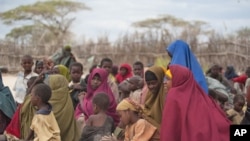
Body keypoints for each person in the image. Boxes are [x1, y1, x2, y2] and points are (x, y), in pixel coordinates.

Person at [160, 64, 230, 141]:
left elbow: (169, 132)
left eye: (168, 79)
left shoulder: (173, 96)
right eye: (164, 79)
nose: (164, 82)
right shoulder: (201, 97)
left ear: (177, 79)